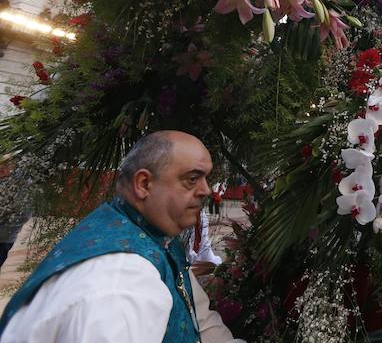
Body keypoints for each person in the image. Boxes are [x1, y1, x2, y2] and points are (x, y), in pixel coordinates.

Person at [0, 130, 240, 343]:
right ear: (144, 184)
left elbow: (201, 319)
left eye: (206, 178)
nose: (207, 190)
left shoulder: (149, 235)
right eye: (192, 179)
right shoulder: (121, 289)